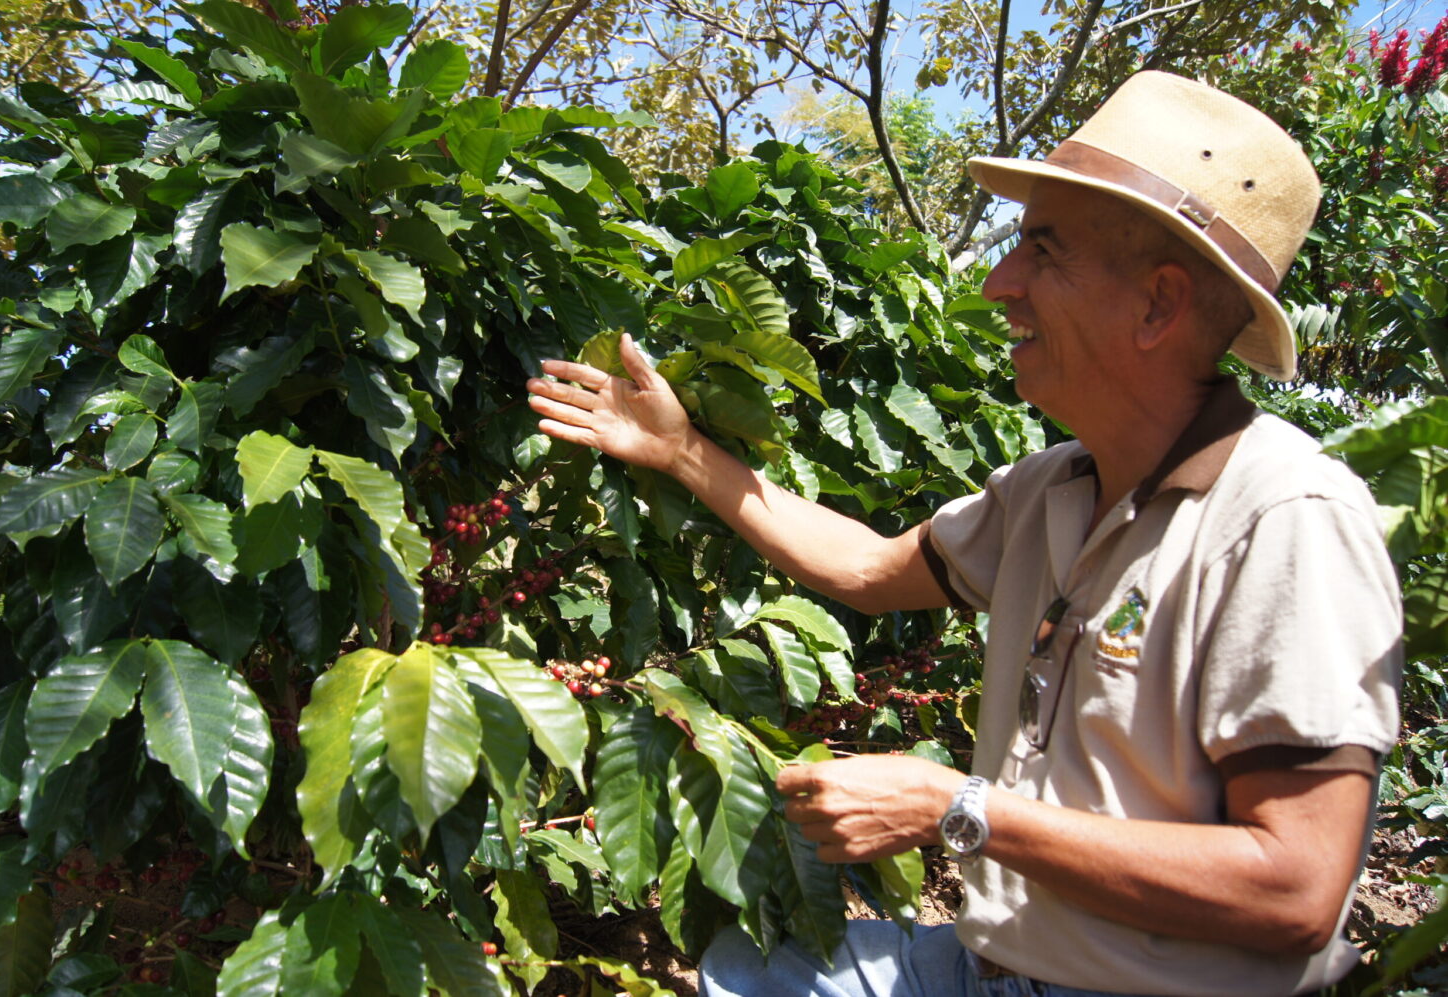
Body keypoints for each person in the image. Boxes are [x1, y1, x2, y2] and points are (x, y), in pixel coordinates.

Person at [526, 71, 1401, 997]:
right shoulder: (1054, 488)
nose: (998, 283)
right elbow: (866, 567)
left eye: (1042, 251)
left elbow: (1296, 887)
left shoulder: (1286, 519)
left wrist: (958, 808)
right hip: (995, 966)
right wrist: (680, 451)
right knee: (738, 973)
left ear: (1158, 303)